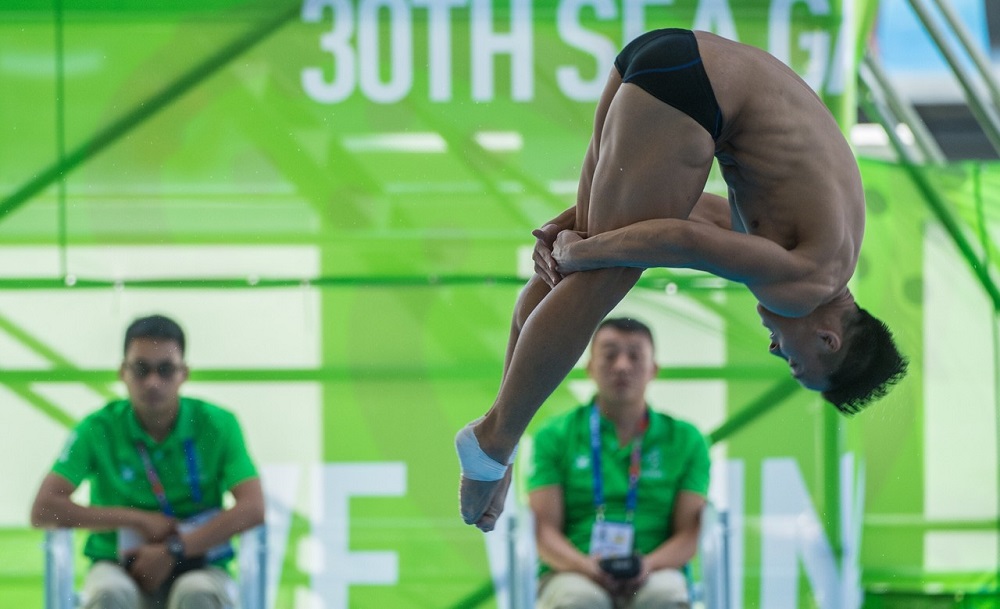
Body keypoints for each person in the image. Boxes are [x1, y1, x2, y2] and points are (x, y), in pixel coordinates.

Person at [456, 28, 907, 532]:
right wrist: (587, 250)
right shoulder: (808, 285)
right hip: (697, 91)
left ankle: (500, 433)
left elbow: (695, 214)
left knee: (575, 269)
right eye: (795, 361)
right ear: (829, 338)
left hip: (665, 56)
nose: (776, 350)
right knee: (605, 273)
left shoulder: (825, 242)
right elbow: (680, 243)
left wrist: (573, 227)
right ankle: (493, 444)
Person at [30, 314, 265, 609]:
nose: (153, 382)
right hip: (118, 566)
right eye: (141, 369)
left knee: (198, 594)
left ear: (184, 374)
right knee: (108, 594)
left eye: (165, 370)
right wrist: (136, 520)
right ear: (122, 372)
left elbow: (253, 508)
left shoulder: (218, 424)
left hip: (199, 561)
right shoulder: (98, 428)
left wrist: (173, 550)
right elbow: (44, 508)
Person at [527, 317, 709, 609]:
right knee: (579, 600)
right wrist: (587, 567)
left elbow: (690, 531)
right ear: (589, 367)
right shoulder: (554, 436)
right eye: (610, 355)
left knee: (664, 597)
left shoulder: (687, 440)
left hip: (656, 571)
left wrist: (646, 565)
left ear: (653, 370)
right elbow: (543, 530)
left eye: (635, 356)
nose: (622, 365)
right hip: (573, 571)